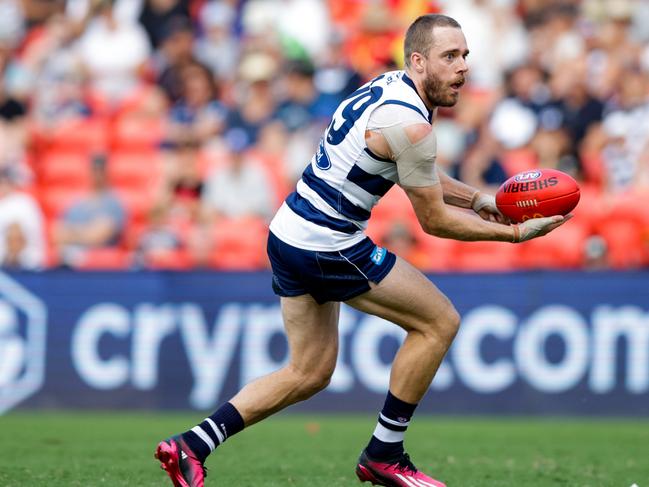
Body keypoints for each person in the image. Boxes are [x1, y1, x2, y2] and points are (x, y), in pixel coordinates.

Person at [155, 14, 568, 487]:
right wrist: (515, 235)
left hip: (289, 231)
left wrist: (480, 200)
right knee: (438, 322)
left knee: (307, 371)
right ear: (417, 60)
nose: (463, 68)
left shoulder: (392, 88)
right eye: (450, 56)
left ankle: (191, 445)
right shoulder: (409, 121)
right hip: (327, 242)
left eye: (465, 56)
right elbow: (432, 220)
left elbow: (416, 168)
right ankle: (384, 453)